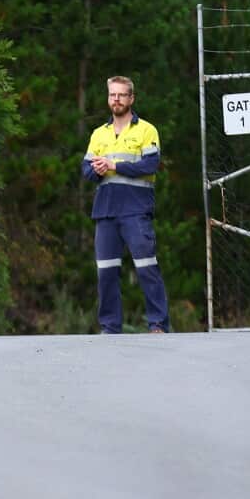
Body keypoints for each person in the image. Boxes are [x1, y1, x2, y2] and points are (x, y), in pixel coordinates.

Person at [82, 75, 170, 334]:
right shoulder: (99, 134)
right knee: (106, 273)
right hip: (105, 211)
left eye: (121, 95)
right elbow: (86, 171)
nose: (116, 99)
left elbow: (150, 165)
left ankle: (157, 324)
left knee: (146, 268)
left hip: (135, 211)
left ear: (131, 98)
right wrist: (96, 169)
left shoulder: (146, 130)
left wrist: (113, 165)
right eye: (112, 95)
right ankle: (110, 327)